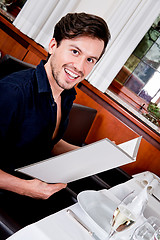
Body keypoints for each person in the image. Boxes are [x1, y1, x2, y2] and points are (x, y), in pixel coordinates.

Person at [0, 13, 110, 203]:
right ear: (53, 46)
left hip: (36, 189)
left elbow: (49, 141)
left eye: (90, 60)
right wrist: (27, 189)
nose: (79, 66)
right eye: (75, 51)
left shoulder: (65, 95)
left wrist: (93, 156)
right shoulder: (12, 92)